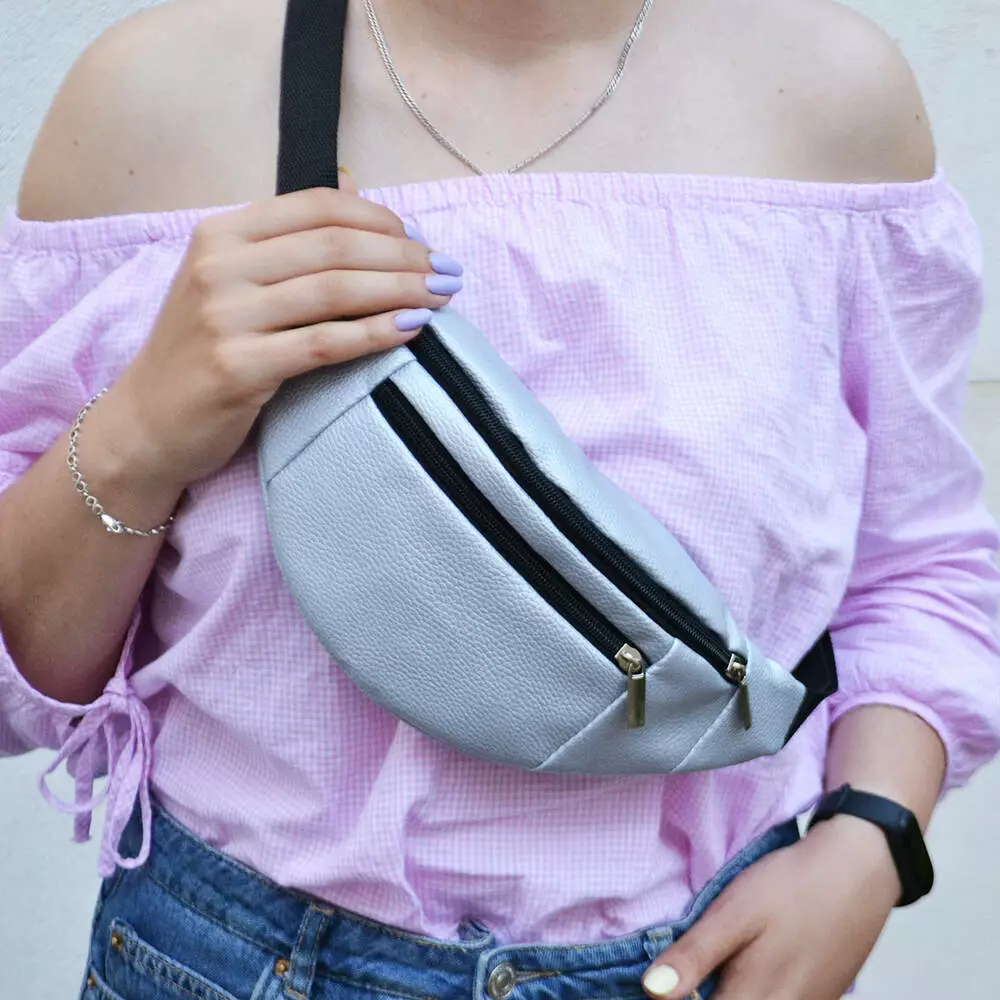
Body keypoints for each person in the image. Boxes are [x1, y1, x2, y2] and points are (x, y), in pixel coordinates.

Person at [2, 0, 999, 997]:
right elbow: (27, 668)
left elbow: (918, 566)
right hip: (225, 959)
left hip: (699, 960)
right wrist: (142, 427)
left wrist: (870, 843)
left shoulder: (828, 97)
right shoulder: (151, 100)